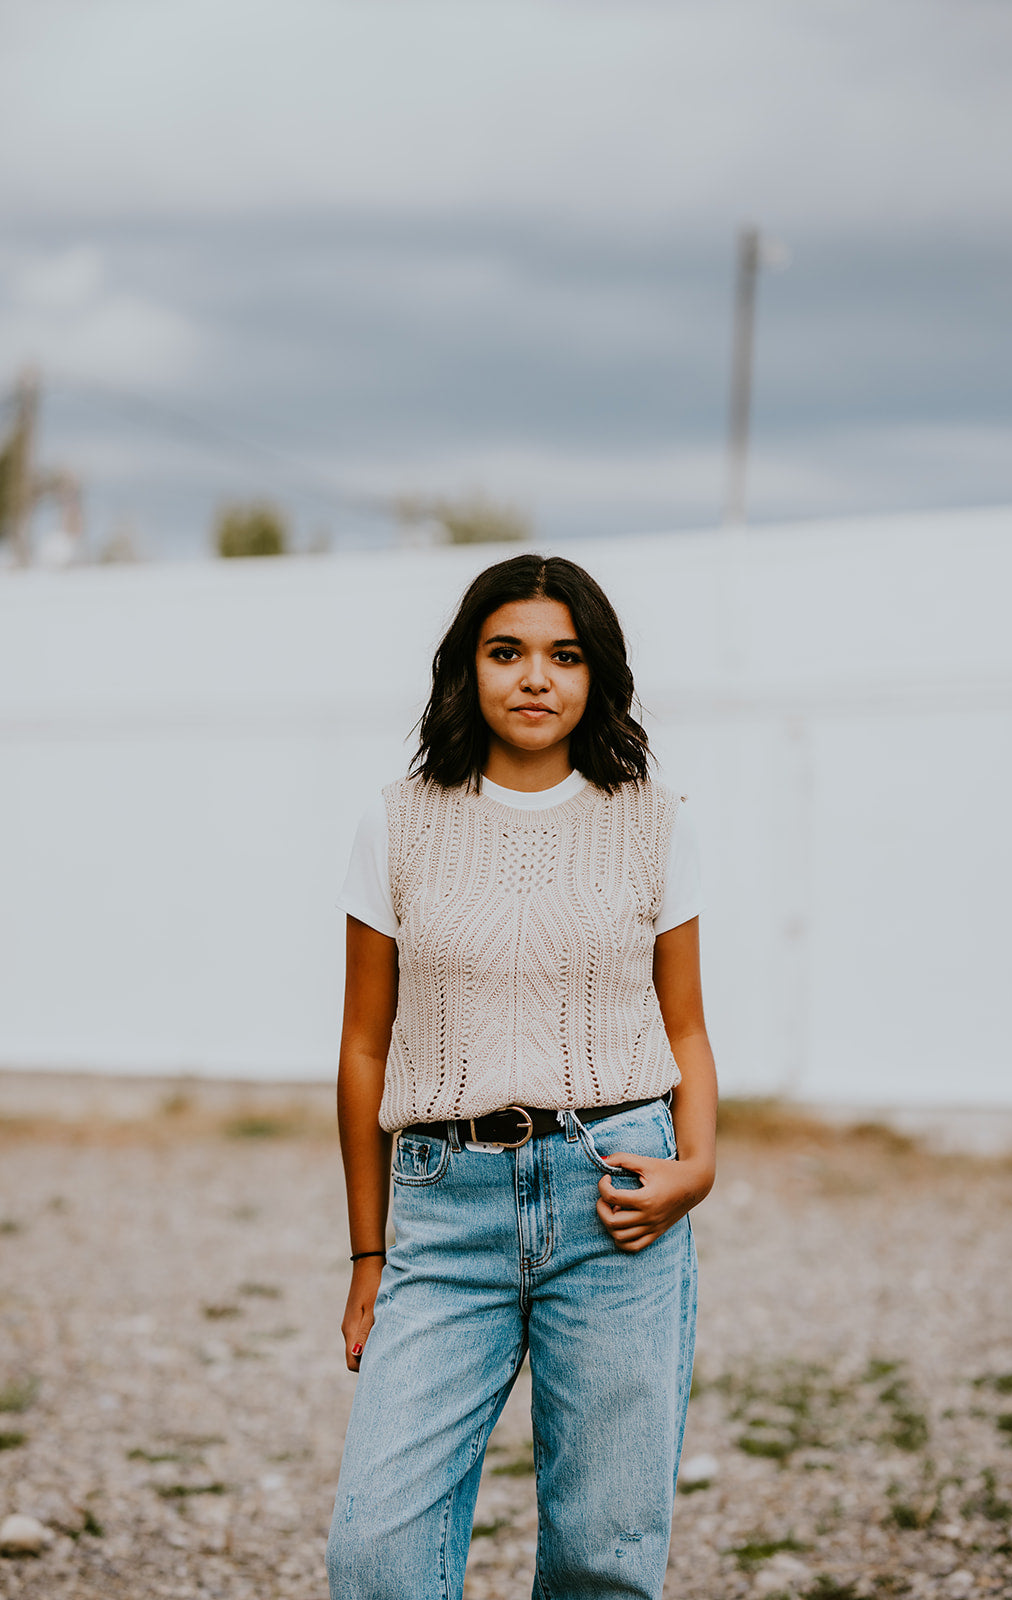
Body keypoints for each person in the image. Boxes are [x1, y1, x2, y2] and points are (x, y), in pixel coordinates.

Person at [325, 553, 717, 1600]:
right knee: (375, 1554)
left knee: (601, 1554)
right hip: (444, 1209)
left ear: (597, 676)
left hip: (616, 1201)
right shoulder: (394, 820)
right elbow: (365, 1044)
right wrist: (369, 1252)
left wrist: (700, 1168)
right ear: (467, 668)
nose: (534, 677)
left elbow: (685, 1023)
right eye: (507, 652)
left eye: (564, 654)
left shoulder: (651, 816)